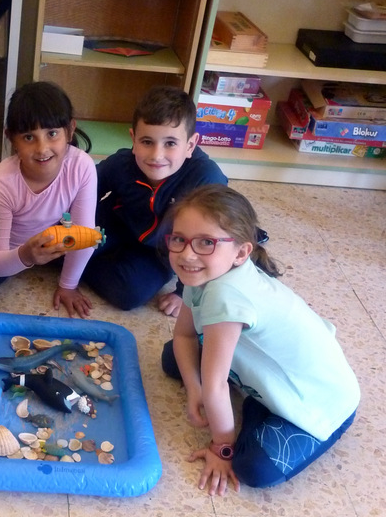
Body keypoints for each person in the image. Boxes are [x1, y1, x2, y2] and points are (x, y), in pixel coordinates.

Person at [160, 184, 360, 496]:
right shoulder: (201, 273)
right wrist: (194, 389)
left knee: (252, 467)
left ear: (241, 252)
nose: (187, 254)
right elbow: (184, 336)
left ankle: (257, 407)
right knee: (174, 358)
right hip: (280, 373)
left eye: (206, 242)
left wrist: (222, 447)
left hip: (322, 402)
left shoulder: (225, 296)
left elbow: (216, 386)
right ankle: (255, 404)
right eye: (179, 239)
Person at [0, 80, 98, 319]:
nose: (42, 148)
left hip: (20, 240)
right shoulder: (2, 185)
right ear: (12, 138)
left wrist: (68, 285)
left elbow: (84, 236)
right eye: (29, 137)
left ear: (70, 130)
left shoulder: (82, 166)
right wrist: (26, 256)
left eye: (52, 134)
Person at [81, 85, 227, 317]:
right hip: (118, 223)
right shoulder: (121, 163)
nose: (156, 155)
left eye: (170, 143)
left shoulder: (206, 178)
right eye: (147, 142)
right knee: (60, 246)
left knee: (129, 293)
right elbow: (84, 194)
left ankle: (86, 264)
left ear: (190, 145)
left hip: (160, 249)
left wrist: (184, 293)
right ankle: (81, 260)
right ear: (133, 139)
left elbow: (209, 241)